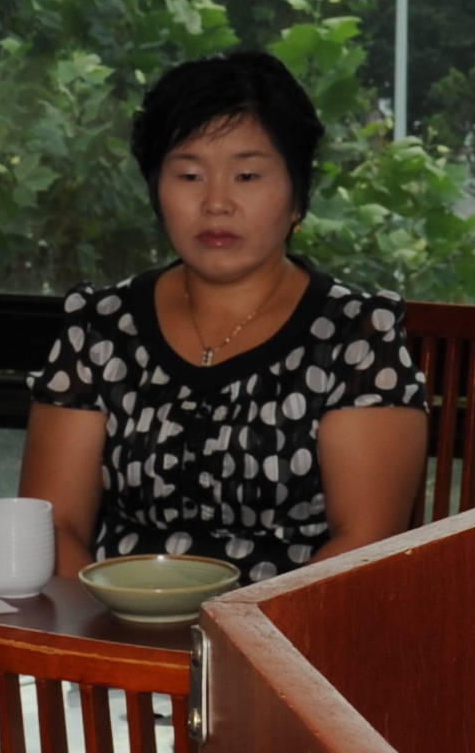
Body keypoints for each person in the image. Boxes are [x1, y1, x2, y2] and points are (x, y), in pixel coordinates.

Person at [22, 49, 425, 584]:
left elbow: (363, 546)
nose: (216, 203)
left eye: (248, 175)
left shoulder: (357, 338)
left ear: (298, 196)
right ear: (155, 191)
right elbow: (54, 526)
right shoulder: (101, 326)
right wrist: (110, 637)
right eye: (189, 175)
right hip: (114, 635)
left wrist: (221, 647)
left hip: (287, 647)